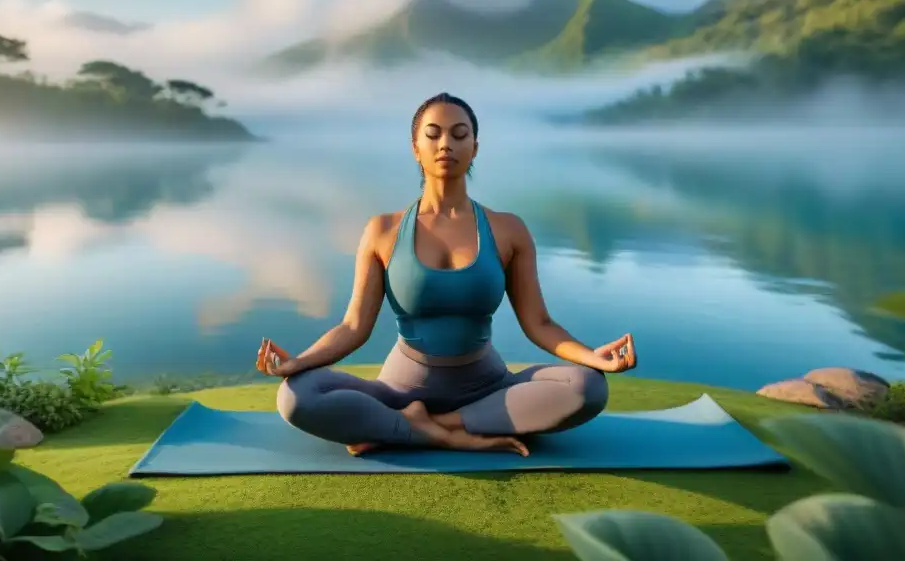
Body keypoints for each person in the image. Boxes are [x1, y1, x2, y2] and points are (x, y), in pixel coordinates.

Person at [256, 92, 638, 457]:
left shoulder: (508, 230)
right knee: (296, 395)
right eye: (433, 134)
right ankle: (451, 435)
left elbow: (539, 323)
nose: (446, 145)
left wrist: (593, 358)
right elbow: (354, 327)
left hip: (489, 390)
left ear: (475, 146)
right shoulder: (383, 230)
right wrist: (297, 363)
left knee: (587, 388)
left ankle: (420, 428)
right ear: (415, 147)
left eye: (460, 135)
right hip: (400, 390)